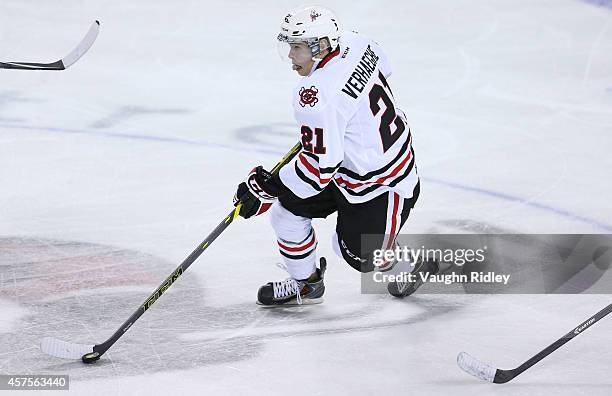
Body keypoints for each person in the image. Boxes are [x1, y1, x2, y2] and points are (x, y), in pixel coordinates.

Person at [233, 5, 434, 306]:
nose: (290, 56)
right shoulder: (356, 42)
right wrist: (337, 125)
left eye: (297, 48)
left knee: (356, 255)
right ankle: (306, 283)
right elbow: (384, 68)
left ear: (320, 46)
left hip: (385, 183)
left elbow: (318, 171)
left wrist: (270, 186)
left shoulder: (315, 95)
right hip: (349, 169)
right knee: (285, 215)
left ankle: (408, 263)